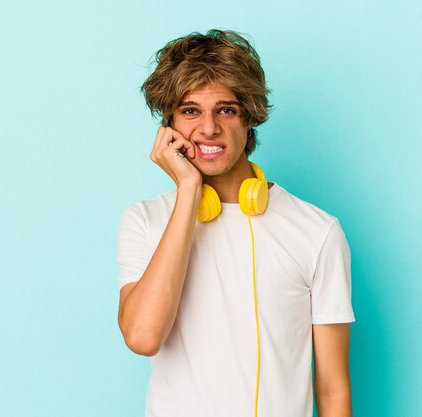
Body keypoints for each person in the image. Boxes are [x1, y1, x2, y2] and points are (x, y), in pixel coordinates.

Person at [116, 29, 355, 417]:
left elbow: (332, 387)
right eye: (190, 110)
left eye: (225, 109)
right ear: (170, 124)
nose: (209, 128)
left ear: (250, 117)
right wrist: (189, 190)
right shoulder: (144, 219)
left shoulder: (317, 231)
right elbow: (143, 336)